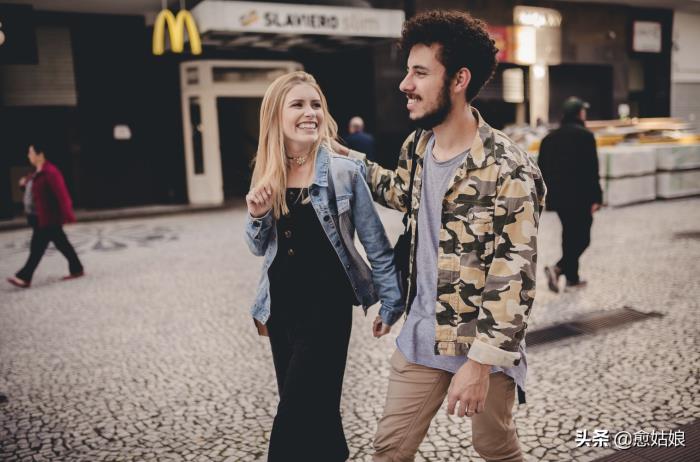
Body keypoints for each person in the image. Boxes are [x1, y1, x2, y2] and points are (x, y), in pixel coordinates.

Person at [334, 10, 546, 462]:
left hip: (481, 345)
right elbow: (399, 191)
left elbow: (514, 278)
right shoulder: (418, 146)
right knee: (390, 449)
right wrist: (346, 158)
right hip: (421, 336)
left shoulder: (508, 168)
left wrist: (479, 364)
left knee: (494, 446)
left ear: (459, 79)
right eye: (407, 71)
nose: (404, 84)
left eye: (420, 72)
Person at [244, 71, 402, 462]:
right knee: (317, 413)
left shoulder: (344, 172)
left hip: (327, 309)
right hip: (280, 308)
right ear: (276, 115)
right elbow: (258, 246)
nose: (310, 112)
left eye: (315, 104)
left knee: (293, 413)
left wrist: (390, 303)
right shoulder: (269, 170)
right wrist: (257, 214)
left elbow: (375, 243)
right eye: (298, 104)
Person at [538, 96, 602, 292]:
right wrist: (597, 197)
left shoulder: (549, 139)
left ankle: (572, 280)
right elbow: (592, 170)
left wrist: (548, 196)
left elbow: (541, 170)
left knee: (569, 235)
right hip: (581, 197)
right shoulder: (585, 136)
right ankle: (558, 268)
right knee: (583, 239)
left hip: (559, 198)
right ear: (579, 113)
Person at [7, 143, 84, 289]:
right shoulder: (37, 172)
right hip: (39, 217)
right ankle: (77, 268)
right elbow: (34, 190)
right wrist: (24, 185)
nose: (29, 156)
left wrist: (68, 215)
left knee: (37, 248)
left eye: (31, 153)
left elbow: (62, 194)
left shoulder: (50, 172)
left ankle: (24, 276)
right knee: (62, 243)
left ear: (40, 154)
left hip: (47, 218)